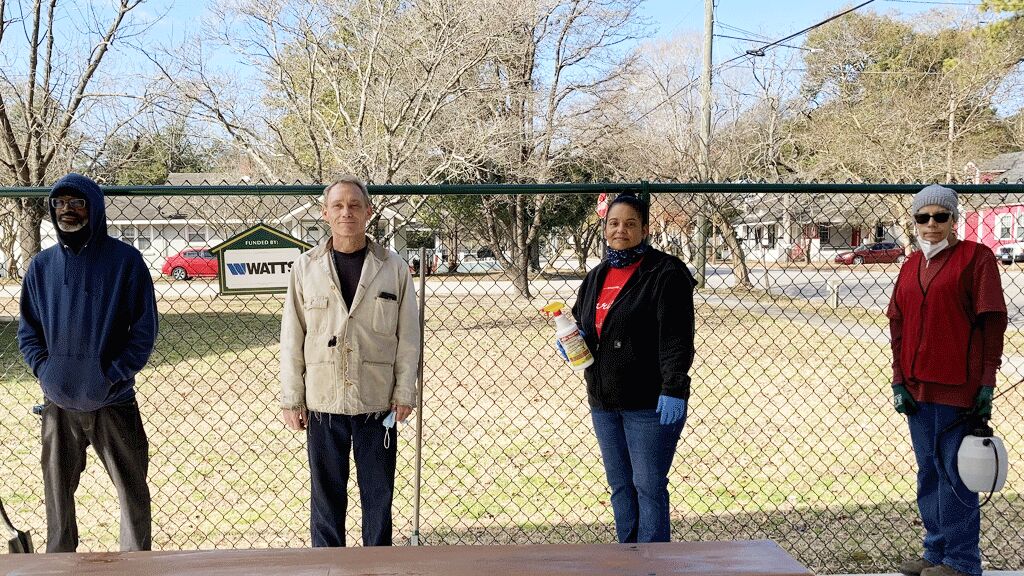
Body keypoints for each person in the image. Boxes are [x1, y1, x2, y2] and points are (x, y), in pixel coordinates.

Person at [18, 173, 158, 552]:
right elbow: (28, 332)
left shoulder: (126, 262)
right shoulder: (42, 267)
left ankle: (136, 565)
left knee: (132, 493)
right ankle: (59, 564)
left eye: (77, 203)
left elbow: (143, 332)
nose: (68, 210)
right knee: (57, 499)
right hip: (58, 403)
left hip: (113, 399)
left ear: (94, 209)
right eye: (60, 203)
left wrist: (111, 375)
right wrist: (47, 373)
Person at [279, 177, 420, 547]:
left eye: (355, 205)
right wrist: (292, 398)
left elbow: (409, 337)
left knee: (379, 498)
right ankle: (329, 565)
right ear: (324, 213)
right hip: (323, 404)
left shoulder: (393, 268)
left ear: (369, 212)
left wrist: (405, 390)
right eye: (338, 206)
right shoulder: (305, 268)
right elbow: (293, 337)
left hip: (378, 403)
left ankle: (377, 564)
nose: (347, 213)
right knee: (326, 501)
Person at [888, 184, 1007, 576]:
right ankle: (934, 552)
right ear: (915, 222)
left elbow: (992, 321)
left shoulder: (977, 258)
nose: (932, 224)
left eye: (941, 216)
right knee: (929, 470)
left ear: (954, 220)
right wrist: (898, 379)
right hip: (918, 388)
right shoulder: (910, 265)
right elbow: (897, 322)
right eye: (924, 217)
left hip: (960, 386)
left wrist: (986, 380)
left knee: (956, 474)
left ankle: (961, 560)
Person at [570, 192, 696, 543]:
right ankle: (627, 558)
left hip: (650, 404)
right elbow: (584, 324)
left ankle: (654, 563)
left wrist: (674, 388)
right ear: (604, 228)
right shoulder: (596, 276)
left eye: (629, 223)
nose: (620, 230)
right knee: (620, 487)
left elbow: (677, 339)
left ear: (644, 228)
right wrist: (573, 342)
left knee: (649, 487)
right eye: (613, 223)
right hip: (604, 402)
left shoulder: (665, 273)